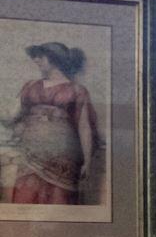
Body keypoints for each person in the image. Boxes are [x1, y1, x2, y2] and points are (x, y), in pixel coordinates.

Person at [10, 41, 102, 206]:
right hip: (31, 154)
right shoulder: (30, 86)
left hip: (64, 159)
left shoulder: (77, 90)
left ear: (54, 59)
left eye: (41, 57)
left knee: (58, 201)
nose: (36, 60)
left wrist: (87, 160)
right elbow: (12, 116)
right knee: (25, 199)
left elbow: (84, 126)